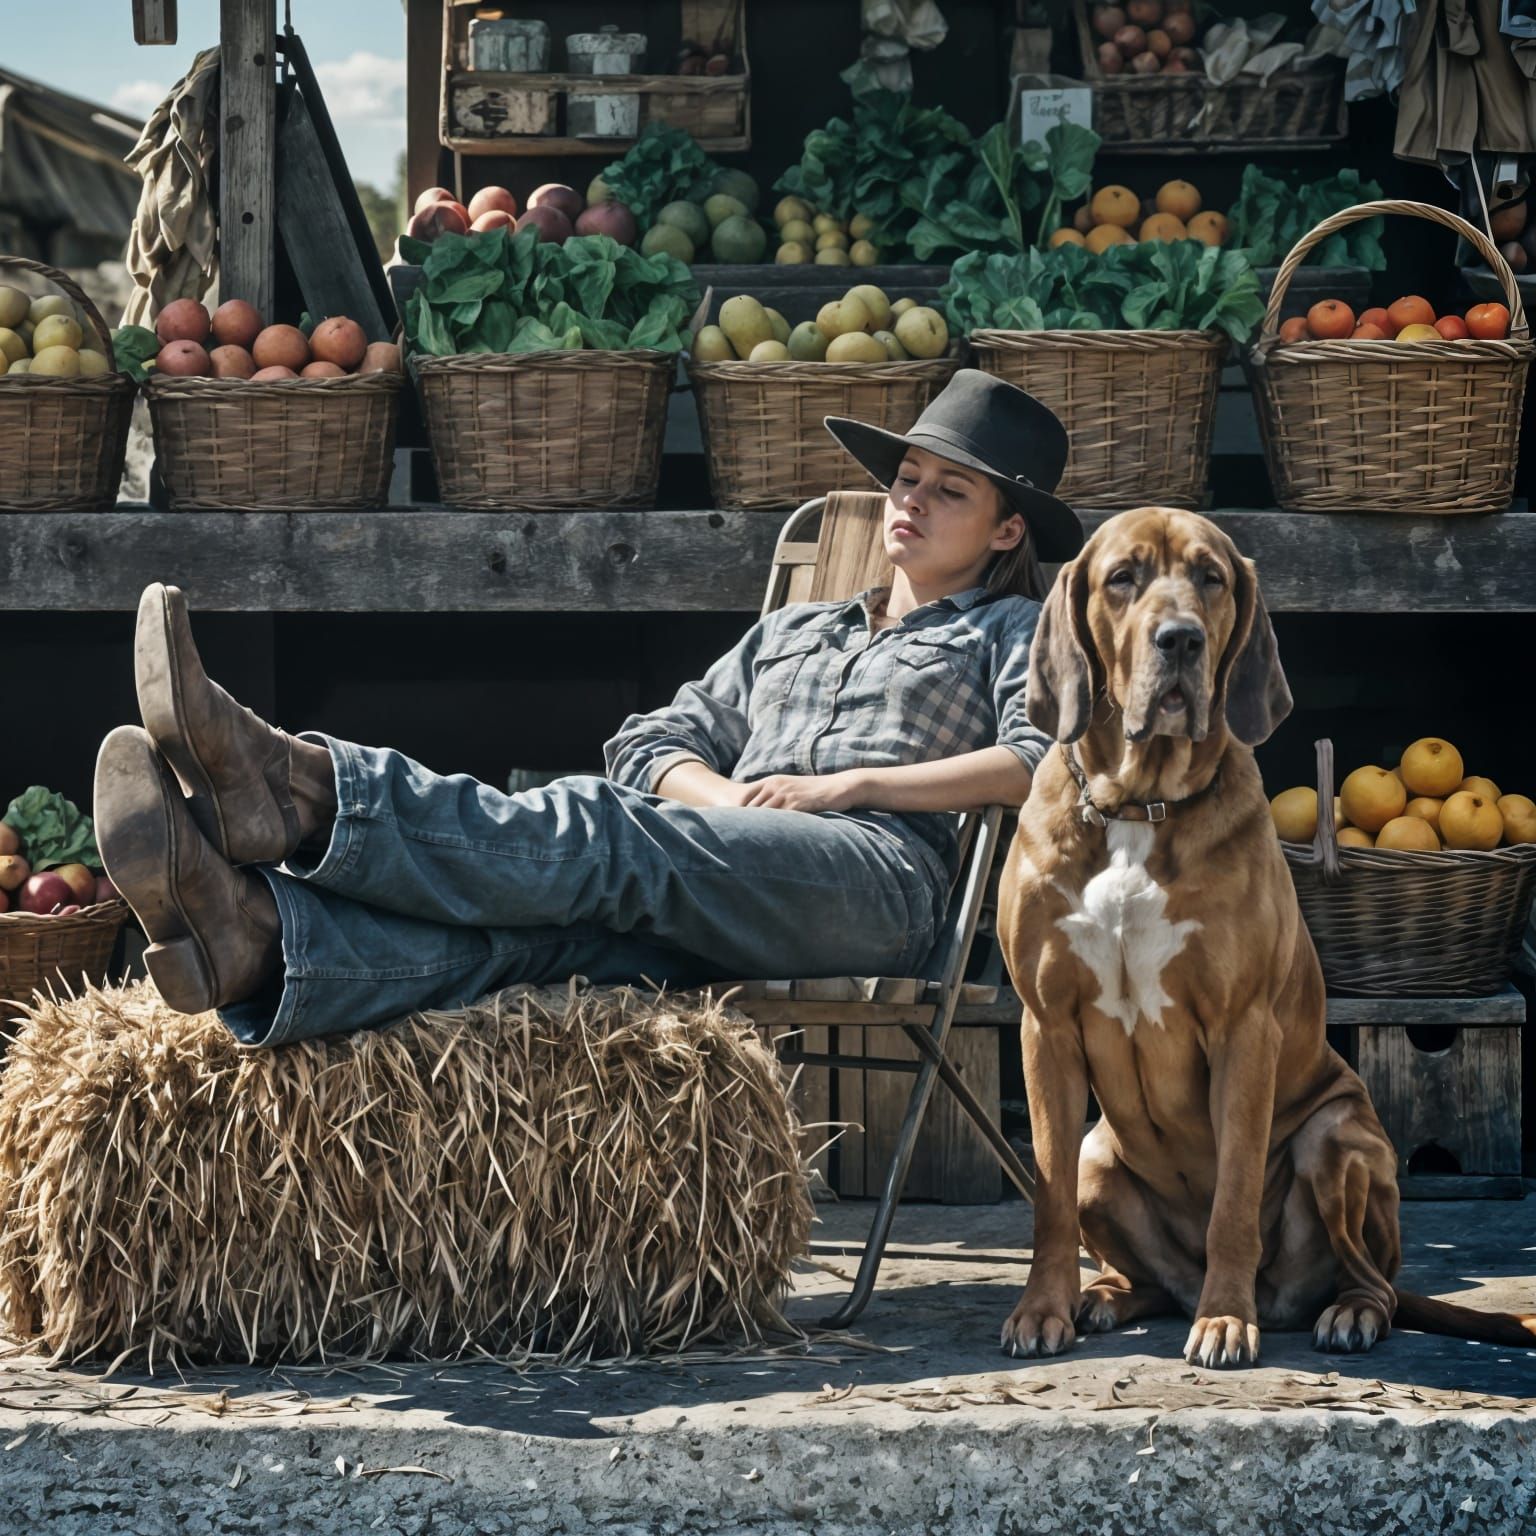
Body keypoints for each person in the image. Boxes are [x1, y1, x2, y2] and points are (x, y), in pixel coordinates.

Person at [93, 369, 1084, 1049]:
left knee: (609, 831)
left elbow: (1049, 761)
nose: (911, 500)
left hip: (881, 885)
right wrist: (722, 801)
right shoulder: (799, 629)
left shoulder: (1013, 628)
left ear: (1005, 532)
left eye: (950, 492)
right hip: (720, 861)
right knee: (546, 942)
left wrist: (851, 787)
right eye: (907, 479)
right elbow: (651, 740)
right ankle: (267, 943)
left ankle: (307, 790)